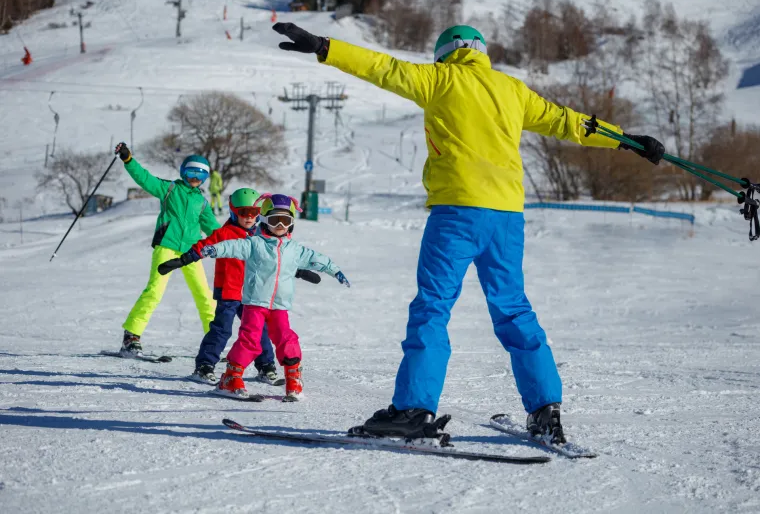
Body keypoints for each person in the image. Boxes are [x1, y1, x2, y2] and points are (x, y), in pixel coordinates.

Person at [272, 22, 665, 442]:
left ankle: (413, 409)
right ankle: (545, 409)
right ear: (481, 51)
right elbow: (569, 122)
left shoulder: (440, 78)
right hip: (507, 218)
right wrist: (626, 139)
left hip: (458, 212)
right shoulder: (512, 90)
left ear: (444, 53)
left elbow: (381, 67)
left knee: (433, 307)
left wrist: (324, 47)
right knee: (514, 309)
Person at [161, 193, 350, 401]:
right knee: (250, 340)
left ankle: (293, 377)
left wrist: (335, 270)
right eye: (274, 219)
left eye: (285, 220)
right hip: (253, 304)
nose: (279, 224)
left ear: (292, 223)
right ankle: (231, 377)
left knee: (285, 338)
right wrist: (206, 251)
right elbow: (229, 246)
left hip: (279, 306)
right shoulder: (253, 243)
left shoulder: (295, 250)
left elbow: (316, 259)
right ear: (264, 220)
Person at [114, 143, 221, 357]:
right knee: (154, 291)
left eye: (200, 174)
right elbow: (145, 179)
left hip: (191, 252)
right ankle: (132, 335)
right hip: (167, 246)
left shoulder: (201, 202)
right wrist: (128, 160)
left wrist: (239, 240)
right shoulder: (170, 189)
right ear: (183, 172)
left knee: (204, 295)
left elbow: (215, 230)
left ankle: (214, 341)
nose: (195, 178)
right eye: (191, 172)